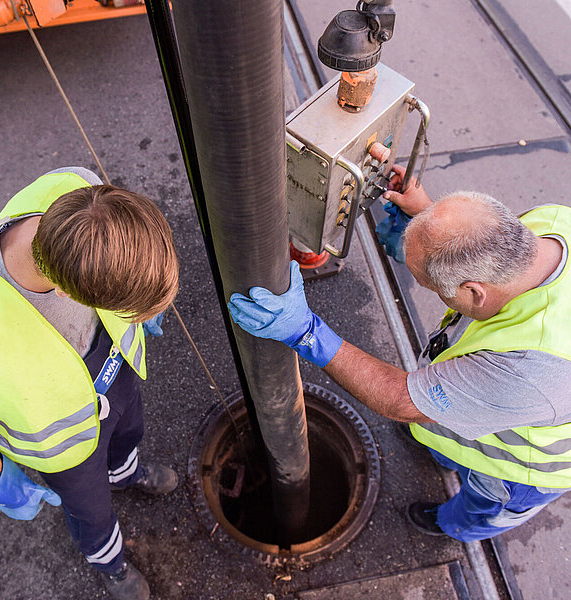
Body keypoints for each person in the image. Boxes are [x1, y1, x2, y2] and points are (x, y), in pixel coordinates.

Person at [228, 163, 571, 543]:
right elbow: (481, 240)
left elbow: (400, 399)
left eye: (437, 288)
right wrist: (426, 216)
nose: (434, 293)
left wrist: (307, 332)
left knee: (483, 508)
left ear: (475, 291)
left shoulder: (530, 368)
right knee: (438, 431)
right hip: (493, 399)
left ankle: (450, 527)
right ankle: (442, 448)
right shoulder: (552, 226)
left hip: (514, 467)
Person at [0, 167, 180, 600]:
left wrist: (142, 302)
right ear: (66, 293)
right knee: (90, 510)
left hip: (111, 368)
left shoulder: (74, 187)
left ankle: (126, 474)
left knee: (129, 432)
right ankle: (111, 563)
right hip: (63, 439)